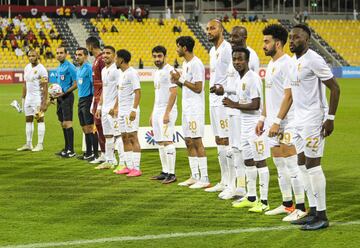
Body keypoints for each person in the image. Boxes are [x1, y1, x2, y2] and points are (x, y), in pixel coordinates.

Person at [272, 24, 340, 230]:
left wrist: (330, 118)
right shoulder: (293, 62)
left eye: (297, 38)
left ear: (307, 40)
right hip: (298, 121)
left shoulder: (314, 59)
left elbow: (335, 88)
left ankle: (322, 215)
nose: (292, 41)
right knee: (301, 164)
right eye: (290, 38)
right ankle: (312, 212)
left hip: (313, 119)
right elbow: (291, 95)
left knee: (313, 165)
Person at [257, 24, 306, 220]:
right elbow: (270, 95)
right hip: (273, 122)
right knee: (279, 164)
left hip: (287, 122)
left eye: (266, 41)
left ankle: (301, 207)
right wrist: (263, 118)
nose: (263, 45)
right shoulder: (271, 64)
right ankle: (287, 204)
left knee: (291, 164)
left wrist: (277, 121)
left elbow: (289, 96)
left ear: (278, 43)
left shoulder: (287, 63)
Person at [214, 47, 270, 212]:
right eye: (235, 59)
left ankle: (264, 201)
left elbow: (256, 105)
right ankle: (252, 197)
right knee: (248, 161)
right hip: (244, 126)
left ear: (247, 61)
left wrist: (234, 105)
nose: (237, 62)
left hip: (255, 126)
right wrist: (223, 91)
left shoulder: (253, 78)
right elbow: (238, 93)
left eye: (240, 59)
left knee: (260, 161)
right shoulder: (241, 79)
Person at [171, 36, 210, 189]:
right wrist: (177, 81)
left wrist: (180, 80)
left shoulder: (196, 64)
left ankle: (205, 177)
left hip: (195, 108)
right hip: (186, 108)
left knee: (196, 141)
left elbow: (199, 87)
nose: (177, 49)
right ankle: (194, 176)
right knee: (188, 140)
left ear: (184, 48)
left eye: (178, 47)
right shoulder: (185, 63)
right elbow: (187, 86)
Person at [205, 19, 232, 194]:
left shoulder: (227, 49)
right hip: (213, 100)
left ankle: (232, 182)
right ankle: (224, 180)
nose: (209, 31)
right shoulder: (212, 50)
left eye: (212, 28)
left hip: (223, 101)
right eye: (207, 29)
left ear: (221, 30)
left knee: (226, 140)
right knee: (218, 140)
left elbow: (233, 73)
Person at [150, 45, 178, 184]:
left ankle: (172, 174)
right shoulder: (156, 72)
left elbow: (174, 92)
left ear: (165, 56)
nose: (157, 59)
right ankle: (165, 171)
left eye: (159, 56)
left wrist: (167, 112)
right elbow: (157, 95)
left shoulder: (170, 71)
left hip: (168, 110)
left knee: (167, 141)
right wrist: (152, 114)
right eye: (155, 56)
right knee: (160, 142)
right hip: (157, 110)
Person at [113, 49, 142, 177]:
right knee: (124, 137)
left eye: (116, 58)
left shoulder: (132, 73)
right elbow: (120, 94)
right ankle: (129, 166)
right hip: (122, 111)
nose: (115, 60)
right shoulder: (122, 74)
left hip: (130, 111)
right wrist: (116, 107)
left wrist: (134, 110)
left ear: (121, 60)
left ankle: (137, 167)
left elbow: (138, 92)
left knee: (132, 137)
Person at [17, 49, 48, 152]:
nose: (31, 58)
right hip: (28, 99)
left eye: (33, 56)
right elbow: (25, 84)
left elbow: (45, 86)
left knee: (39, 120)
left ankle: (40, 144)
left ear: (37, 56)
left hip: (37, 99)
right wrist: (23, 97)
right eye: (29, 56)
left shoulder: (42, 69)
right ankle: (28, 144)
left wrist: (44, 102)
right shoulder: (26, 67)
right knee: (28, 120)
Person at [94, 46, 119, 169]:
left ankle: (124, 163)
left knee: (118, 135)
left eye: (108, 53)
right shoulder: (104, 70)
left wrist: (116, 107)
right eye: (104, 53)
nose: (105, 55)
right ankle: (110, 160)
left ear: (114, 55)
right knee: (108, 135)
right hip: (104, 108)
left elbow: (121, 90)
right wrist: (99, 106)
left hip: (113, 109)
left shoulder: (116, 70)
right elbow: (105, 89)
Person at [86, 37, 106, 164]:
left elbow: (105, 82)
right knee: (98, 126)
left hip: (102, 98)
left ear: (90, 46)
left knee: (103, 127)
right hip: (97, 96)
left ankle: (108, 154)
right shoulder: (96, 61)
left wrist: (100, 101)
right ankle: (104, 153)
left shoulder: (102, 60)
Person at [54, 46, 77, 158]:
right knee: (63, 123)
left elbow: (76, 84)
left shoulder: (70, 66)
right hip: (60, 98)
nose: (59, 55)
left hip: (67, 97)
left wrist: (65, 93)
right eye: (57, 53)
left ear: (66, 54)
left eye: (61, 53)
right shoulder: (59, 68)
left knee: (67, 123)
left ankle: (71, 150)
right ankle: (67, 148)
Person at [75, 47, 97, 161]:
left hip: (88, 99)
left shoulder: (89, 68)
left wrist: (94, 100)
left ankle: (94, 153)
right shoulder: (79, 69)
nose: (77, 57)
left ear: (86, 56)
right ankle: (88, 153)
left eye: (80, 55)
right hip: (81, 99)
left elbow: (93, 84)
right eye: (76, 55)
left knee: (90, 127)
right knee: (84, 127)